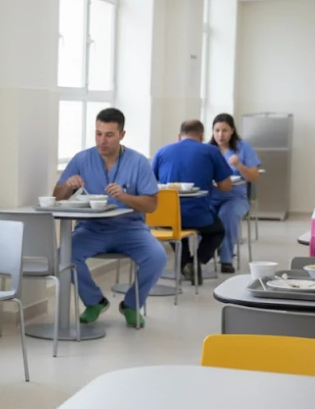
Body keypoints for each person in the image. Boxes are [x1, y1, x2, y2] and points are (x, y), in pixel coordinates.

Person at [53, 107, 166, 329]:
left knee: (157, 257)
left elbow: (152, 204)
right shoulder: (82, 159)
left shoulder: (138, 162)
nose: (102, 141)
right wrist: (68, 186)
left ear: (122, 135)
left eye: (109, 135)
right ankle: (94, 301)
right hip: (91, 229)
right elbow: (56, 196)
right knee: (64, 256)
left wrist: (125, 197)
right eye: (98, 133)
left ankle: (132, 305)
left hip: (130, 229)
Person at [151, 119, 233, 284]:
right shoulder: (211, 151)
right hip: (198, 215)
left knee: (176, 231)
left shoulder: (162, 151)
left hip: (164, 217)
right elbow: (225, 186)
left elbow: (151, 184)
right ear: (201, 135)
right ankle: (196, 261)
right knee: (217, 231)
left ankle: (185, 263)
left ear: (179, 136)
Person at [208, 113, 261, 273]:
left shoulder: (243, 148)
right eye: (217, 130)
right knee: (198, 215)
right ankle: (203, 253)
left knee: (227, 215)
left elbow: (254, 177)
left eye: (225, 130)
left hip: (235, 197)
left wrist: (239, 166)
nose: (220, 135)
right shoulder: (208, 149)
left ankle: (226, 259)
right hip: (211, 197)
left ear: (232, 131)